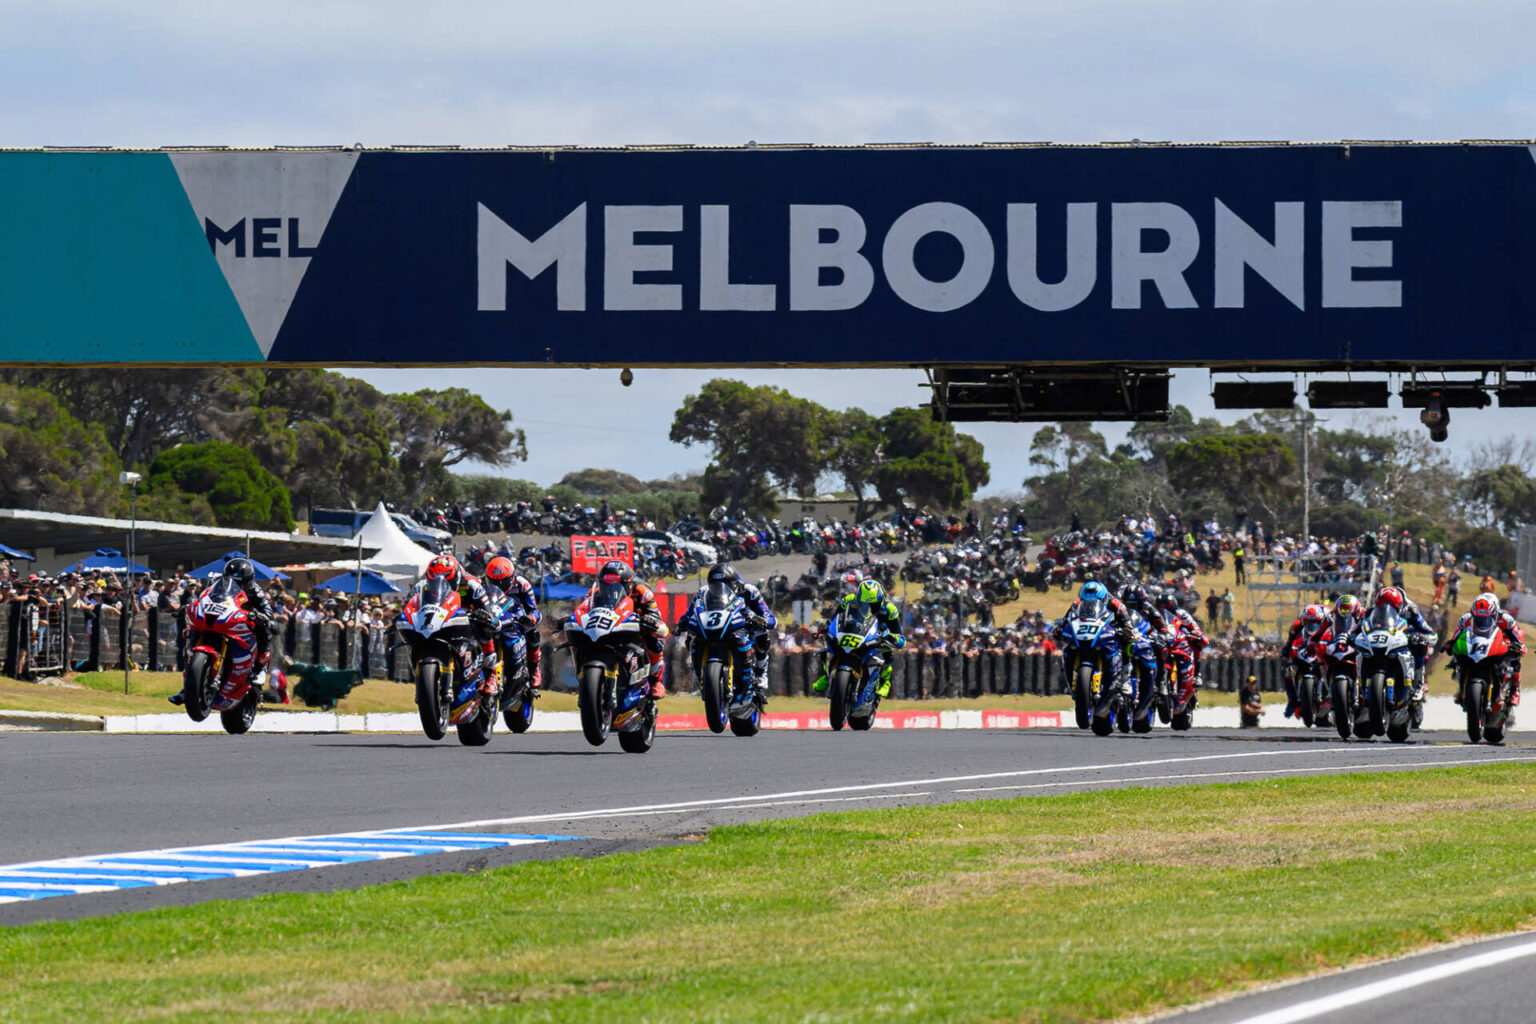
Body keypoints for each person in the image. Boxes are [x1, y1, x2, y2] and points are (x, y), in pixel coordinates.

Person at [180, 557, 276, 711]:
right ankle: (190, 685)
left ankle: (260, 668)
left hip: (243, 621)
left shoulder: (256, 590)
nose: (235, 584)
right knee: (190, 632)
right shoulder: (216, 582)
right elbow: (205, 598)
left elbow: (267, 611)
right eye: (231, 580)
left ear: (249, 580)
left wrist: (265, 618)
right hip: (223, 617)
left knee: (264, 630)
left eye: (240, 582)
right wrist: (191, 606)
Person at [418, 553, 501, 693]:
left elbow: (487, 610)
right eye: (435, 580)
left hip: (469, 616)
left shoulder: (472, 584)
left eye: (447, 580)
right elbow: (414, 603)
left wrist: (485, 616)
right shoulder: (424, 585)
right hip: (442, 618)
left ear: (456, 576)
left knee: (485, 626)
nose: (441, 583)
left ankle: (491, 674)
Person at [589, 559, 669, 699]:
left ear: (628, 584)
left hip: (634, 625)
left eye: (616, 586)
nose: (611, 590)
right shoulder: (594, 592)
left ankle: (656, 681)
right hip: (607, 625)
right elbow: (584, 609)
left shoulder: (643, 591)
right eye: (607, 586)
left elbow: (655, 616)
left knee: (654, 638)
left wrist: (649, 619)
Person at [813, 578, 905, 699]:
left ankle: (884, 681)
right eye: (864, 604)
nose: (868, 607)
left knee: (886, 650)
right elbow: (834, 619)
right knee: (829, 646)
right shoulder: (848, 600)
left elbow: (900, 636)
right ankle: (826, 675)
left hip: (875, 636)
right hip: (853, 633)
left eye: (873, 605)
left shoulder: (890, 609)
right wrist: (826, 627)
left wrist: (893, 638)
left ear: (881, 601)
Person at [703, 562, 776, 699]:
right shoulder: (704, 592)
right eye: (715, 585)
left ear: (734, 583)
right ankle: (699, 675)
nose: (719, 588)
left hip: (742, 626)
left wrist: (762, 620)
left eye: (724, 584)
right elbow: (692, 610)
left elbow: (769, 615)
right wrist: (685, 620)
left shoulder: (749, 590)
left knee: (762, 635)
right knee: (692, 638)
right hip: (715, 626)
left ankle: (761, 675)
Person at [1443, 593, 1526, 708]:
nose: (1482, 621)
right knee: (1456, 660)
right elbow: (1456, 636)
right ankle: (1462, 689)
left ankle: (1514, 690)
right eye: (1478, 618)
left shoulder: (1506, 619)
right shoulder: (1466, 619)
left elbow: (1517, 637)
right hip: (1478, 643)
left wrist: (1518, 647)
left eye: (1486, 618)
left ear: (1495, 613)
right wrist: (1450, 645)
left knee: (1515, 661)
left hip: (1500, 642)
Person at [482, 555, 542, 694]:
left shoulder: (522, 584)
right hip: (493, 617)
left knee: (533, 633)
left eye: (503, 582)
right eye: (494, 582)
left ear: (512, 577)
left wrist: (531, 618)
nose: (498, 586)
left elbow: (534, 609)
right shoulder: (481, 585)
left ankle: (535, 669)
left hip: (516, 617)